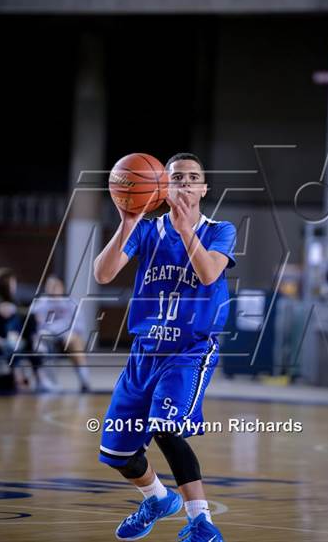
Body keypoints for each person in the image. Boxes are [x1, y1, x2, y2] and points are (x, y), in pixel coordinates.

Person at [94, 153, 236, 542]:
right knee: (117, 452)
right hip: (145, 350)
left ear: (204, 188)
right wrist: (126, 221)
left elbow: (208, 273)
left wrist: (186, 229)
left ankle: (201, 522)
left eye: (193, 178)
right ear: (162, 187)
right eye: (177, 178)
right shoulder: (145, 229)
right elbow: (103, 274)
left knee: (167, 426)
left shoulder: (220, 229)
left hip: (190, 349)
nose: (186, 184)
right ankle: (157, 498)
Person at [0, 267, 51, 392]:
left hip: (13, 338)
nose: (14, 285)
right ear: (4, 282)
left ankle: (40, 378)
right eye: (12, 282)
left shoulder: (12, 300)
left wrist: (17, 312)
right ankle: (10, 378)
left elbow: (22, 312)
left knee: (29, 321)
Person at [32, 275, 91, 393]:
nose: (53, 289)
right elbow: (34, 325)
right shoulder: (40, 304)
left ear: (62, 288)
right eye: (50, 286)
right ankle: (46, 382)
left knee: (73, 340)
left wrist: (63, 332)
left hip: (67, 339)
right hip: (47, 339)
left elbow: (79, 327)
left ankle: (85, 380)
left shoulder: (72, 303)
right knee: (39, 342)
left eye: (55, 286)